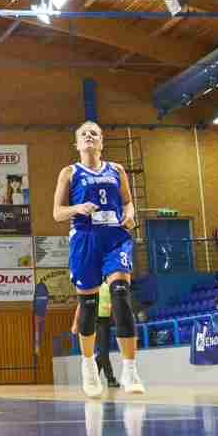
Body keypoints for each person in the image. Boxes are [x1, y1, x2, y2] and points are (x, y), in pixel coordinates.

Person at [53, 121, 144, 397]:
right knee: (89, 307)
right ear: (77, 144)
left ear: (102, 142)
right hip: (85, 239)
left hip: (114, 237)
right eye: (83, 134)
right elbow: (57, 213)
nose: (89, 136)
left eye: (94, 133)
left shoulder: (117, 170)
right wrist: (78, 207)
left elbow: (128, 202)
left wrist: (130, 215)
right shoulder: (69, 172)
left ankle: (130, 370)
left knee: (121, 295)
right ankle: (89, 365)